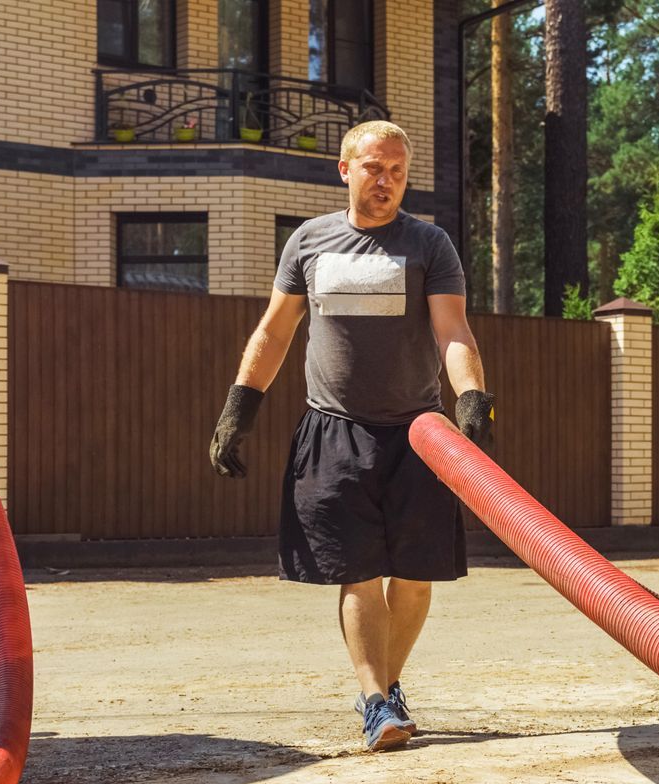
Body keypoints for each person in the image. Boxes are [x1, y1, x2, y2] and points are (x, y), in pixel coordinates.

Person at [208, 121, 494, 751]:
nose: (386, 181)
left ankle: (384, 691)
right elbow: (275, 331)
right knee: (359, 571)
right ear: (345, 169)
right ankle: (376, 700)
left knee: (414, 574)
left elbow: (452, 330)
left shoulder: (429, 243)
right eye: (373, 168)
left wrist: (472, 400)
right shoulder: (309, 241)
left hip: (419, 432)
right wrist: (239, 407)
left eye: (397, 171)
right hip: (333, 429)